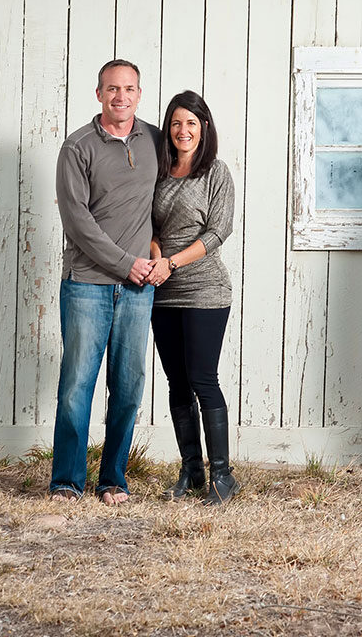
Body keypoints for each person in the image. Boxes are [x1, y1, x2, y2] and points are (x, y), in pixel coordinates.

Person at [50, 59, 159, 505]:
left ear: (139, 93)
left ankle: (113, 479)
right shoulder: (77, 148)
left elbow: (168, 200)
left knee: (129, 385)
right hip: (87, 284)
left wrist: (155, 258)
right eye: (112, 89)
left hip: (139, 289)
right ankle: (67, 482)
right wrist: (124, 263)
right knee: (78, 385)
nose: (121, 97)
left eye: (129, 89)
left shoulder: (155, 139)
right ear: (98, 94)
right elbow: (77, 221)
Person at [145, 91, 239, 506]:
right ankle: (192, 471)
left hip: (204, 291)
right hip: (164, 293)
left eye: (192, 124)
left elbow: (219, 232)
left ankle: (223, 476)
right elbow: (143, 221)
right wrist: (154, 256)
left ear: (204, 129)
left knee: (203, 380)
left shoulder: (216, 173)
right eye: (177, 123)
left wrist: (172, 263)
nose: (183, 131)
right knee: (177, 384)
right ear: (169, 128)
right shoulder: (158, 172)